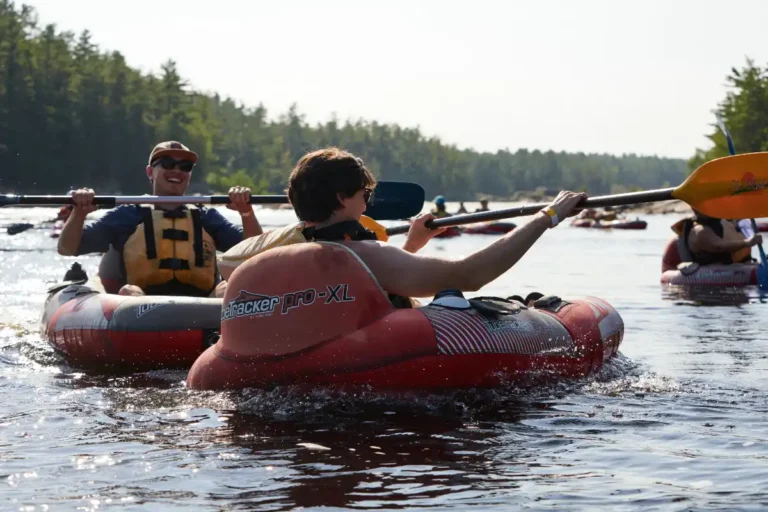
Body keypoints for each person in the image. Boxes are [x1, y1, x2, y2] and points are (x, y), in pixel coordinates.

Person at [222, 147, 586, 302]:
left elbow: (365, 286)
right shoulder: (362, 253)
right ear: (340, 199)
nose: (368, 202)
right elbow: (468, 275)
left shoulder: (281, 247)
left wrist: (411, 248)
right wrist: (546, 217)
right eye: (364, 194)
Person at [58, 141, 263, 298]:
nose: (176, 170)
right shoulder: (128, 214)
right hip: (142, 302)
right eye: (167, 163)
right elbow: (67, 248)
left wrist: (246, 212)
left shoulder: (205, 216)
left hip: (204, 303)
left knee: (228, 289)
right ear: (150, 172)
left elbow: (254, 251)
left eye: (185, 166)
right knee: (130, 291)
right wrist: (80, 213)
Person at [683, 210, 761, 265]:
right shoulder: (700, 231)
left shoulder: (721, 221)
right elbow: (719, 246)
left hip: (739, 264)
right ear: (695, 210)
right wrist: (747, 243)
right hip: (713, 269)